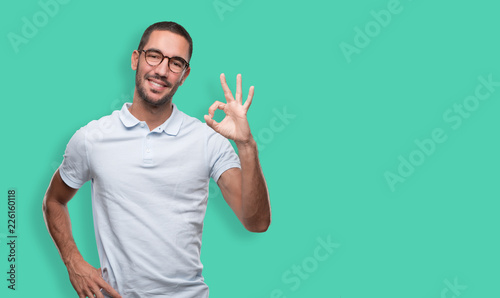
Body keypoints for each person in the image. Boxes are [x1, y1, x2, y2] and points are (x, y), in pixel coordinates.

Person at [42, 21, 271, 298]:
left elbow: (256, 222)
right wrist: (73, 261)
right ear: (136, 59)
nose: (162, 70)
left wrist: (246, 144)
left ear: (184, 75)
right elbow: (54, 200)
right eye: (154, 56)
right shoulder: (92, 138)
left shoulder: (208, 141)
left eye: (176, 63)